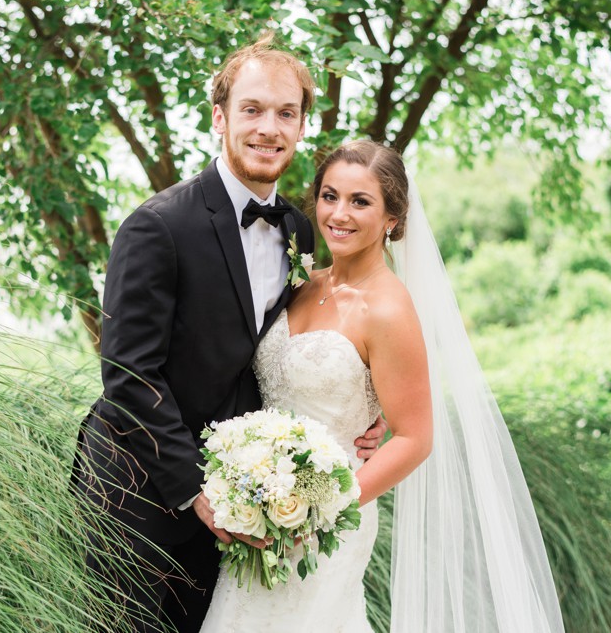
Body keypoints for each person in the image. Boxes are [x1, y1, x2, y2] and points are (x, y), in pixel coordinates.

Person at [73, 36, 386, 633]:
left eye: (286, 113)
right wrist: (197, 489)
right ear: (219, 117)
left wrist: (361, 410)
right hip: (139, 496)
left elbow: (298, 346)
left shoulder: (299, 227)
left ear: (300, 127)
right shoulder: (156, 226)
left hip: (248, 502)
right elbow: (129, 376)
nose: (269, 128)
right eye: (252, 109)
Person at [199, 140, 566, 632]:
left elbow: (415, 439)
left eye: (360, 201)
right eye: (330, 196)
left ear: (393, 218)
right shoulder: (303, 282)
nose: (339, 214)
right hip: (260, 509)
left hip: (330, 518)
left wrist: (319, 512)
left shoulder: (389, 309)